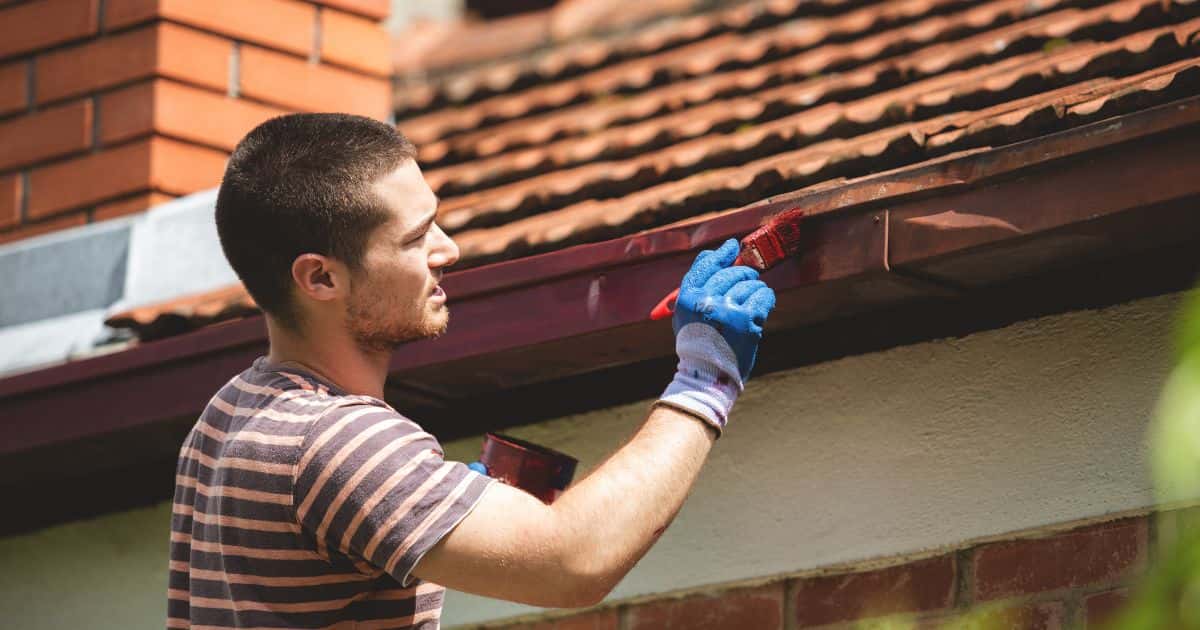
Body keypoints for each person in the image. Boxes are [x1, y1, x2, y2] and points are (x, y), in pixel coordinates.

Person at [167, 113, 776, 629]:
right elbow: (574, 562)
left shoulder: (230, 414)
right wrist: (706, 376)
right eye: (414, 238)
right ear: (320, 278)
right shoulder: (337, 442)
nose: (448, 248)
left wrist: (423, 501)